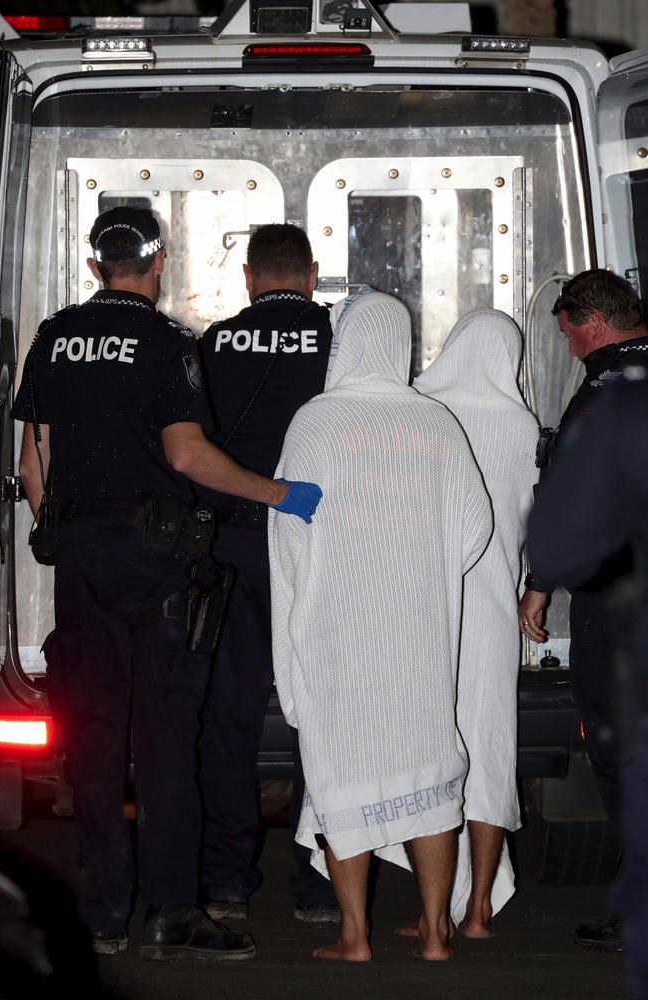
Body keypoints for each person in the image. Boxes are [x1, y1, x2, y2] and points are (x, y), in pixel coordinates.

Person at [13, 207, 321, 961]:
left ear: (95, 267)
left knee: (92, 738)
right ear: (158, 266)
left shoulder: (54, 338)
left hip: (81, 563)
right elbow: (186, 456)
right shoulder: (167, 343)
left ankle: (105, 915)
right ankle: (174, 913)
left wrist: (72, 526)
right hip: (158, 563)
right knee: (166, 741)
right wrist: (280, 495)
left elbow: (31, 468)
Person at [269, 289, 493, 961]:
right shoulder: (438, 423)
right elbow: (475, 530)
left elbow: (290, 525)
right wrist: (422, 557)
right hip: (420, 633)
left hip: (341, 631)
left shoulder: (317, 420)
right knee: (429, 772)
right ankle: (433, 933)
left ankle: (355, 935)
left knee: (342, 769)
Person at [198, 224, 338, 922]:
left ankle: (227, 882)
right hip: (319, 544)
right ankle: (316, 885)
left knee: (229, 716)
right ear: (312, 275)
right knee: (321, 715)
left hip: (231, 547)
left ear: (249, 277)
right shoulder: (342, 342)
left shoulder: (213, 342)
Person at [518, 268, 648, 952]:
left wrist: (541, 583)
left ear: (591, 322)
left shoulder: (602, 391)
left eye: (569, 331)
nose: (568, 346)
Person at [411, 309, 538, 936]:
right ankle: (479, 906)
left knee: (431, 746)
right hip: (493, 609)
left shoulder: (423, 411)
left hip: (428, 604)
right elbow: (531, 519)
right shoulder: (520, 423)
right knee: (491, 750)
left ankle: (433, 908)